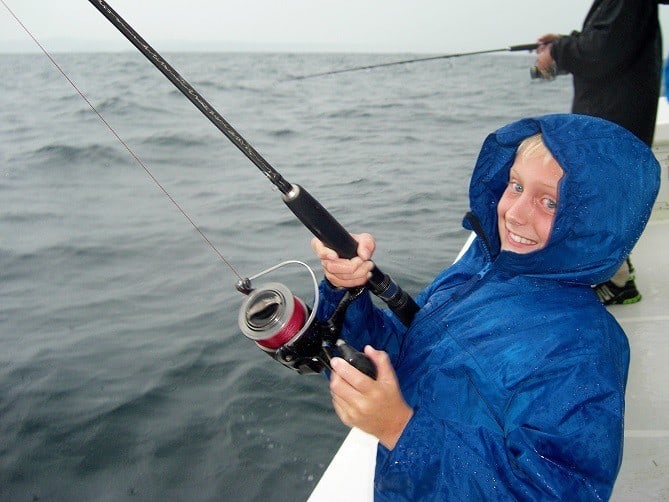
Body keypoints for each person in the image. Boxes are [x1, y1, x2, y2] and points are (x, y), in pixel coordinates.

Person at [311, 114, 659, 500]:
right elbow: (403, 350)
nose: (515, 212)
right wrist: (349, 291)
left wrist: (400, 430)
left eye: (549, 201)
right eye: (516, 185)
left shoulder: (584, 350)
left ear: (596, 224)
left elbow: (551, 492)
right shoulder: (482, 266)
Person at [533, 0, 665, 305]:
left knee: (600, 195)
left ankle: (618, 282)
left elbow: (599, 53)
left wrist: (557, 51)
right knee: (602, 194)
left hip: (613, 117)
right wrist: (564, 43)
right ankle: (615, 269)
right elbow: (608, 43)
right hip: (616, 114)